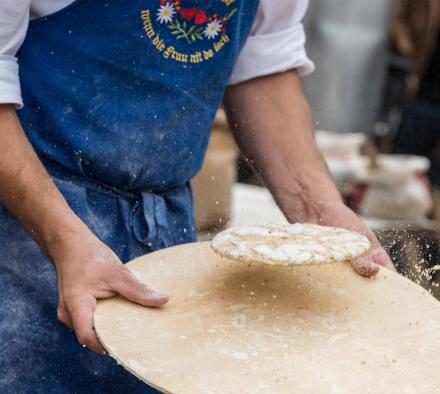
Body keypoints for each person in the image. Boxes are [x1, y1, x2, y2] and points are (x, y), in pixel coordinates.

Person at [0, 0, 394, 392]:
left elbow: (262, 63)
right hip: (26, 220)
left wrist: (319, 210)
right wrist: (65, 240)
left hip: (163, 231)